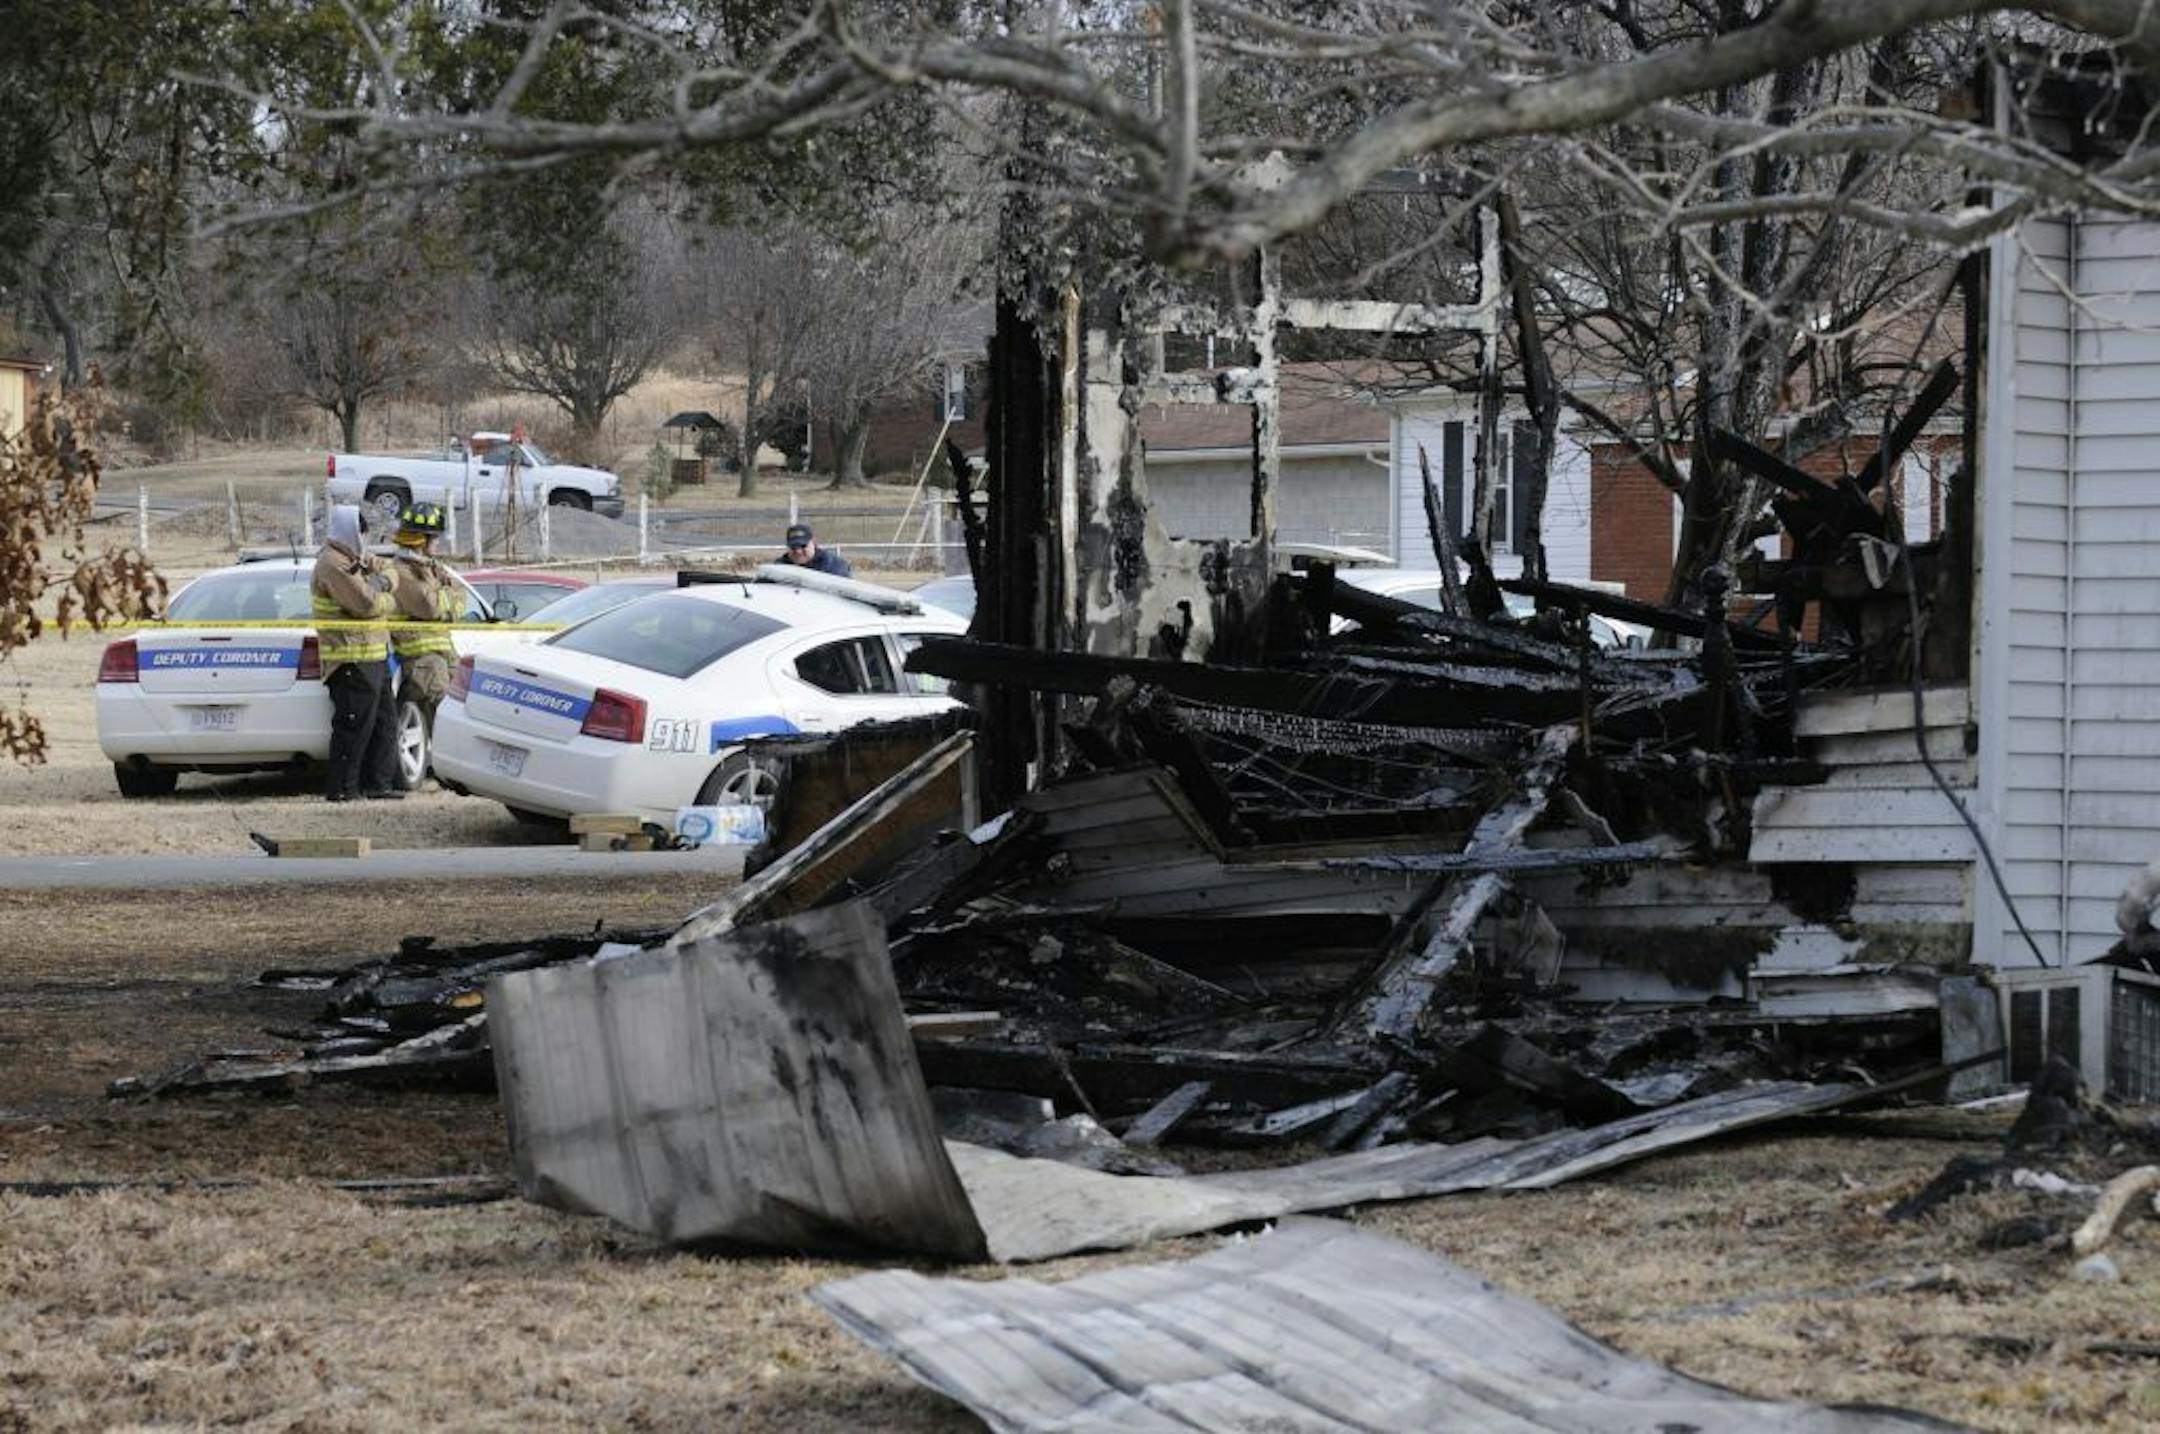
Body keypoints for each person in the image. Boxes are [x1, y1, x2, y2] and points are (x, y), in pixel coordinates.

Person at [311, 505, 402, 802]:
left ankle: (378, 783)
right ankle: (343, 789)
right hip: (350, 657)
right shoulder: (333, 564)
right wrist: (384, 596)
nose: (366, 538)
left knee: (384, 723)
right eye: (362, 531)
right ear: (351, 531)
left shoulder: (355, 557)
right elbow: (367, 604)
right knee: (354, 726)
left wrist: (381, 584)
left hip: (375, 655)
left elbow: (391, 571)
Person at [387, 502, 460, 787]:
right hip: (421, 657)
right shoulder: (403, 572)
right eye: (435, 538)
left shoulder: (429, 568)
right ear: (422, 540)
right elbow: (428, 606)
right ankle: (441, 769)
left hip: (442, 653)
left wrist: (445, 597)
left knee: (452, 711)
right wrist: (446, 597)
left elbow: (459, 600)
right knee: (437, 712)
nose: (438, 544)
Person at [780, 523, 853, 577]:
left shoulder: (834, 568)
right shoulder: (779, 568)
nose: (798, 551)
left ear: (814, 543)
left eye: (803, 546)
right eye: (793, 547)